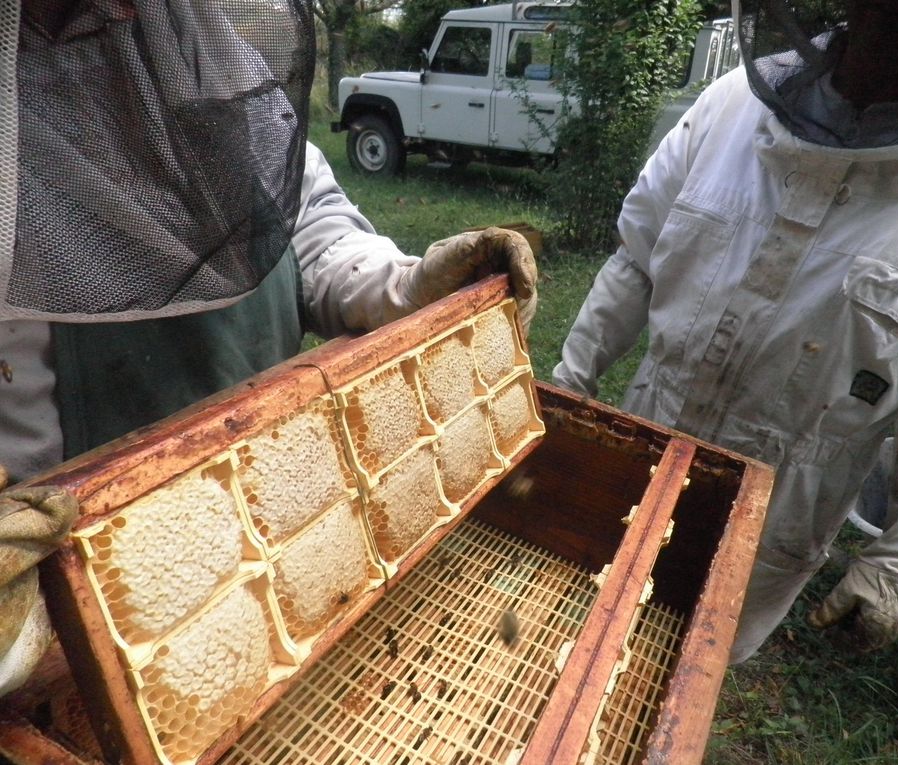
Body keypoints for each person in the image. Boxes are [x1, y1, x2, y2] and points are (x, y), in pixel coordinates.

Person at [0, 0, 537, 695]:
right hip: (84, 595)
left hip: (271, 524)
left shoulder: (207, 52)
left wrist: (409, 283)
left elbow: (307, 222)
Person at [553, 0, 898, 662]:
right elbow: (637, 258)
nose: (889, 26)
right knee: (569, 638)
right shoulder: (727, 105)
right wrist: (568, 385)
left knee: (674, 685)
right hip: (636, 459)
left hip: (775, 520)